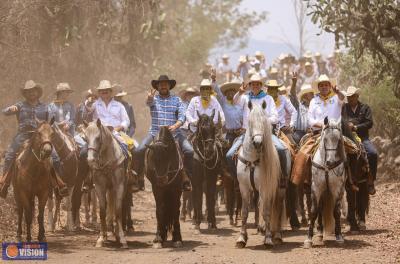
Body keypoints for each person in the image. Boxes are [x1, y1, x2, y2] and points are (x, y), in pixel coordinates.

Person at [0, 80, 67, 198]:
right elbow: (4, 112)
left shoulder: (45, 107)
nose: (31, 93)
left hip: (40, 136)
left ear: (37, 92)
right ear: (25, 94)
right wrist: (12, 109)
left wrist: (60, 125)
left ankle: (59, 185)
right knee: (10, 155)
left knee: (55, 157)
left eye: (33, 91)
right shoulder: (20, 105)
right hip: (23, 135)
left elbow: (52, 120)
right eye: (28, 91)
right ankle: (4, 183)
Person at [133, 75, 192, 191]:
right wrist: (149, 98)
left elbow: (182, 116)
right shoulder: (154, 99)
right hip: (155, 132)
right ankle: (139, 179)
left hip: (174, 133)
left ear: (169, 86)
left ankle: (186, 178)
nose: (163, 86)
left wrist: (176, 125)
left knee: (189, 151)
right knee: (138, 150)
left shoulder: (177, 100)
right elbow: (148, 103)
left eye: (165, 84)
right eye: (161, 84)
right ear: (157, 87)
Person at [227, 74, 289, 181]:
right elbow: (235, 101)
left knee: (281, 149)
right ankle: (236, 179)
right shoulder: (245, 98)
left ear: (261, 86)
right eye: (253, 84)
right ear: (250, 85)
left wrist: (261, 122)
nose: (255, 86)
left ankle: (283, 176)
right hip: (247, 133)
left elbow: (275, 117)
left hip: (266, 133)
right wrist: (240, 92)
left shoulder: (268, 98)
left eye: (257, 84)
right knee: (229, 155)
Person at [291, 74, 345, 185]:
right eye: (321, 85)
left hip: (335, 133)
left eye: (326, 85)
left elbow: (344, 98)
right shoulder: (314, 101)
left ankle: (350, 179)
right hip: (317, 133)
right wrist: (322, 125)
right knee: (302, 153)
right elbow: (310, 119)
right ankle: (302, 179)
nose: (324, 87)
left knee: (352, 150)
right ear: (318, 88)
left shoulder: (336, 97)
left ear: (330, 86)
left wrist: (338, 92)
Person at [342, 86, 377, 195]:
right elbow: (340, 120)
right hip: (347, 138)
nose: (350, 99)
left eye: (352, 96)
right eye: (348, 97)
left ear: (357, 96)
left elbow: (369, 123)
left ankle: (371, 180)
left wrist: (356, 127)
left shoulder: (365, 108)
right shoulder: (344, 108)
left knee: (373, 153)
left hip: (362, 138)